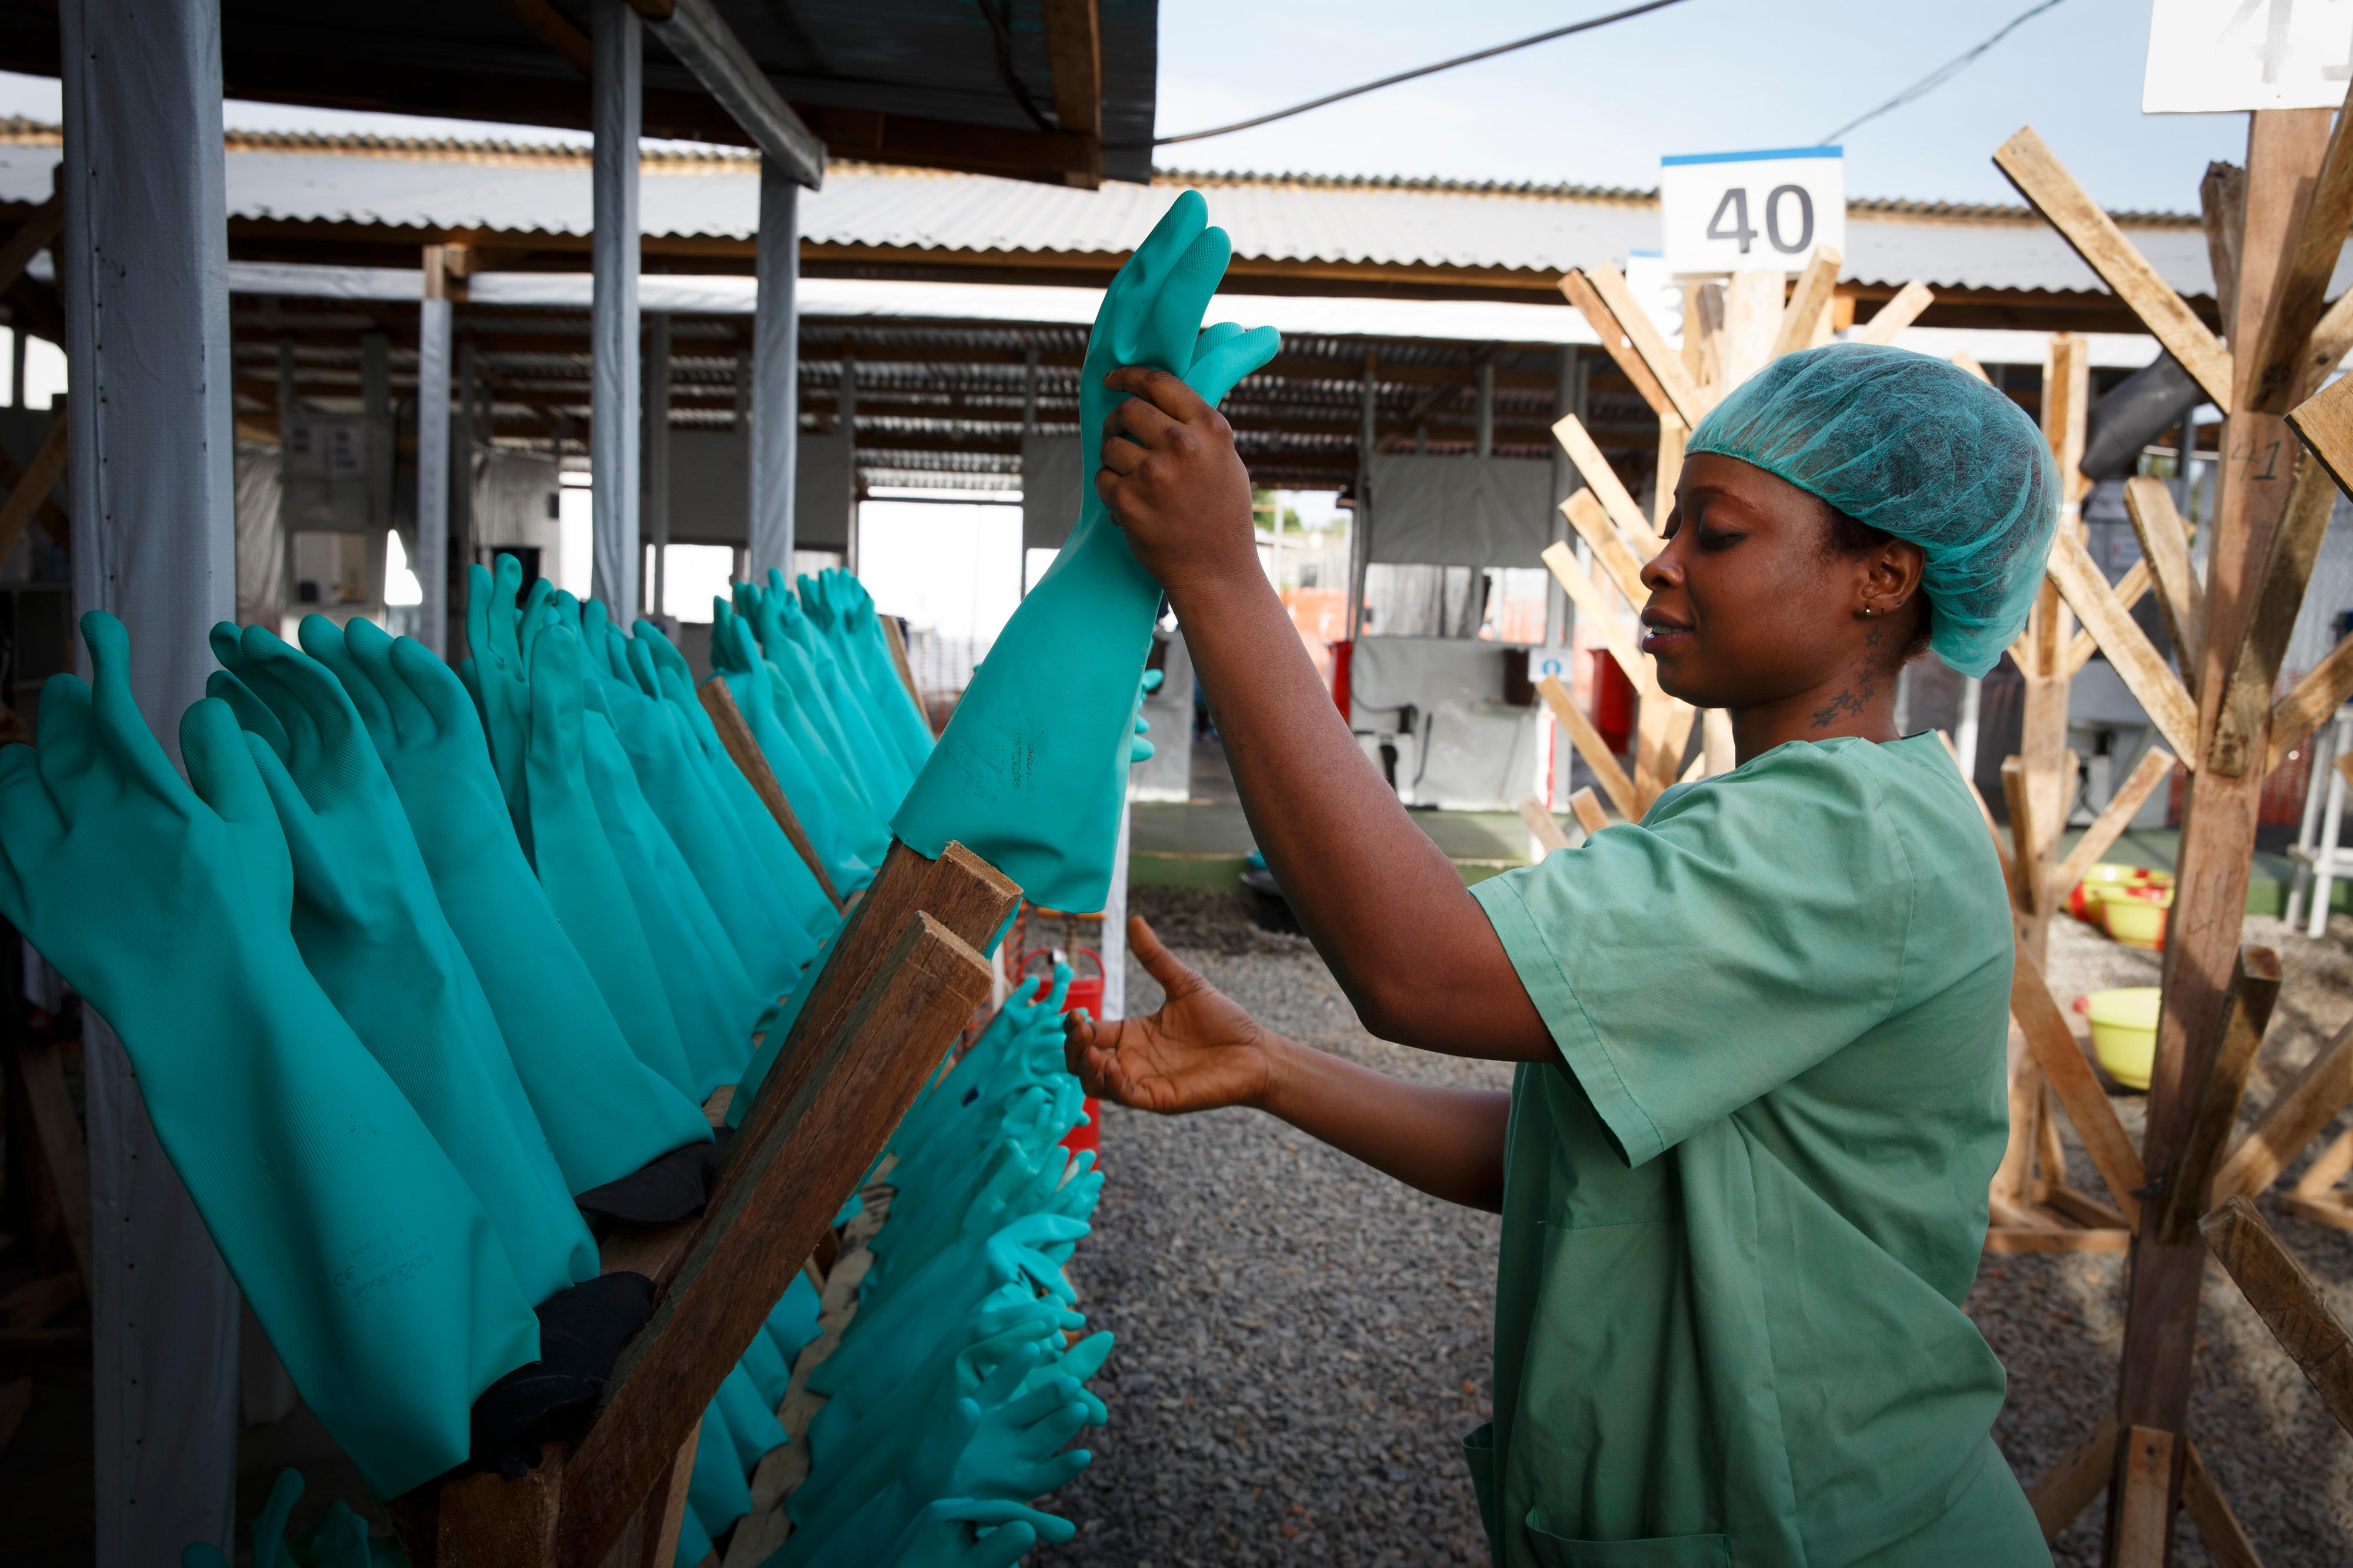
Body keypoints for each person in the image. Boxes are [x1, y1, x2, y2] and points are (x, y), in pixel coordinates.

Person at [1066, 343, 2058, 1566]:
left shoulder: (1848, 839)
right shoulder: (1788, 820)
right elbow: (1573, 1156)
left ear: (1882, 576)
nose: (1659, 560)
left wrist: (1219, 572)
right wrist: (1270, 1065)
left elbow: (1416, 967)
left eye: (1718, 534)